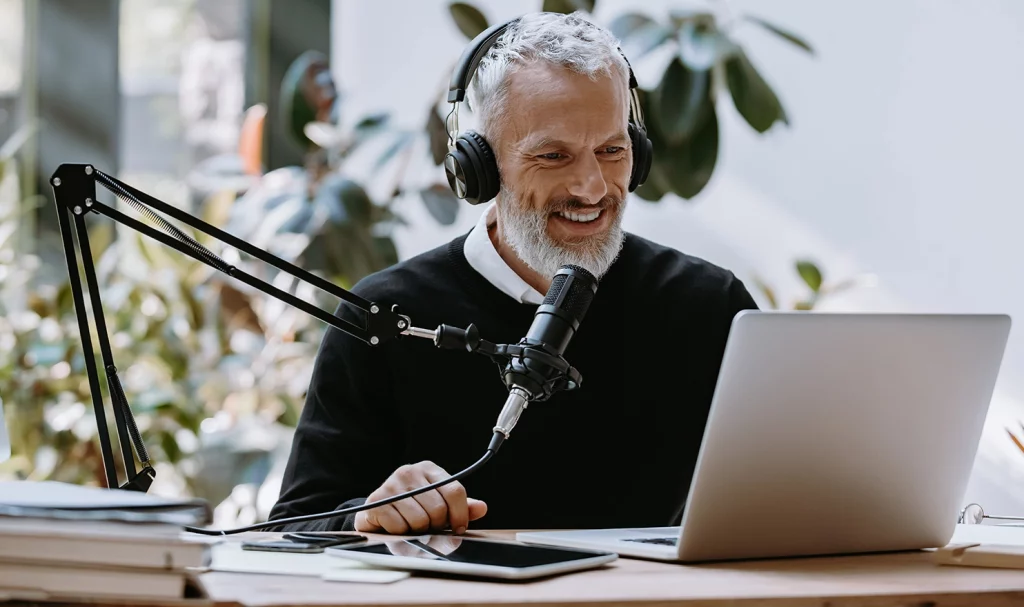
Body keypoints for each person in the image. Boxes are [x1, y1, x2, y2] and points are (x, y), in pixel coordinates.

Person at [268, 11, 758, 535]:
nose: (592, 187)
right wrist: (367, 514)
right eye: (554, 155)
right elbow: (289, 531)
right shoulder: (386, 316)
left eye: (612, 151)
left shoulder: (711, 306)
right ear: (478, 166)